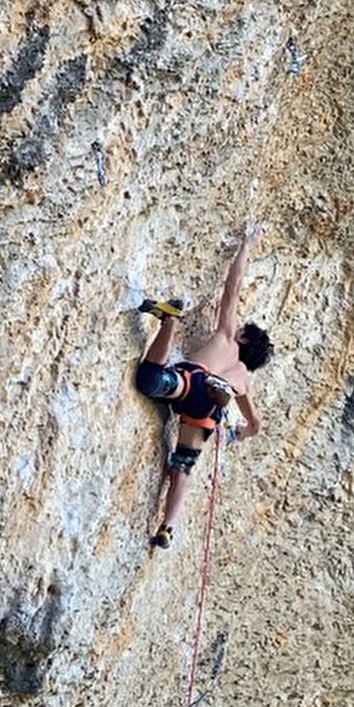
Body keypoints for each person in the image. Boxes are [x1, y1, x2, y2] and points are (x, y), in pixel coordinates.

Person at [136, 227, 271, 548]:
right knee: (182, 466)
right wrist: (239, 434)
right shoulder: (245, 381)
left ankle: (170, 320)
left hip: (193, 380)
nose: (236, 327)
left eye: (241, 329)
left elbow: (232, 288)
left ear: (243, 338)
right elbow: (257, 426)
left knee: (151, 380)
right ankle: (168, 527)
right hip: (210, 410)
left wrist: (247, 245)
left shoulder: (226, 337)